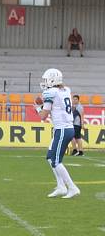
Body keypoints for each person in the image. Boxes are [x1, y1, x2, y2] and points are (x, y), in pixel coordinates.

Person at [35, 68, 80, 198]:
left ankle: (72, 187)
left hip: (62, 129)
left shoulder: (50, 92)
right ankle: (61, 186)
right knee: (50, 157)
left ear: (52, 79)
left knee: (55, 161)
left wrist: (38, 107)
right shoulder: (66, 90)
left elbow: (43, 116)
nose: (44, 82)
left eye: (46, 79)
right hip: (65, 128)